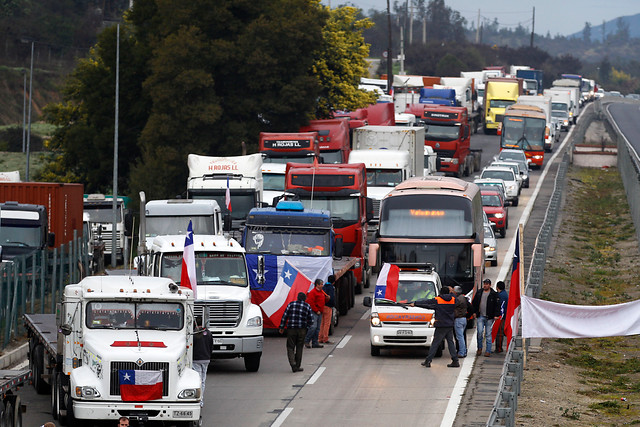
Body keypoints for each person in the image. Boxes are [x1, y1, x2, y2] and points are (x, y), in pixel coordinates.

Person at [410, 286, 460, 368]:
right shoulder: (453, 299)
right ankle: (455, 360)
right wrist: (452, 293)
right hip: (449, 324)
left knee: (435, 343)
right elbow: (457, 301)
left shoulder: (438, 300)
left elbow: (426, 303)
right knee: (451, 343)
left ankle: (428, 360)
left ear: (440, 292)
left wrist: (415, 304)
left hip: (441, 325)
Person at [279, 292, 313, 372]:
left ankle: (293, 364)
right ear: (305, 299)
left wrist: (282, 327)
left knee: (290, 347)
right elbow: (311, 320)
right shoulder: (307, 306)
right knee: (299, 347)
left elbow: (285, 316)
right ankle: (297, 365)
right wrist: (306, 327)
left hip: (291, 329)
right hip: (302, 330)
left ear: (297, 297)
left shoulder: (291, 304)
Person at [471, 278, 501, 357]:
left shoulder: (494, 294)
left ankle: (488, 350)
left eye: (487, 284)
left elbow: (497, 306)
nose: (485, 285)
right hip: (480, 316)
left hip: (489, 317)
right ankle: (479, 348)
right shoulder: (479, 293)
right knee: (479, 332)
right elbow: (474, 303)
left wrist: (496, 315)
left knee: (488, 334)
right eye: (484, 284)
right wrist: (474, 312)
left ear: (490, 285)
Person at [192, 322, 213, 407]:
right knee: (203, 380)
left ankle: (199, 399)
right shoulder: (208, 333)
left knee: (198, 380)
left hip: (196, 360)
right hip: (206, 359)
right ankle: (201, 400)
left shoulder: (194, 334)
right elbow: (211, 346)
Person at [304, 279, 326, 349]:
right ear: (317, 285)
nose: (322, 285)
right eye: (321, 284)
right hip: (315, 312)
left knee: (317, 328)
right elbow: (311, 303)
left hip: (320, 311)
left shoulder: (321, 292)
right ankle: (307, 340)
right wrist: (316, 310)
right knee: (313, 327)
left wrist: (327, 298)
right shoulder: (313, 292)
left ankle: (315, 342)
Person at [452, 285, 469, 359]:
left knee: (460, 337)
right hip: (464, 318)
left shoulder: (457, 300)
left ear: (456, 292)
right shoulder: (464, 298)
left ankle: (462, 352)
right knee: (461, 336)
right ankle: (464, 351)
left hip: (458, 319)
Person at [318, 275, 336, 344]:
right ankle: (325, 338)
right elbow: (331, 298)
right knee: (327, 323)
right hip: (328, 307)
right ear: (334, 281)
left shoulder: (324, 287)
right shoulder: (331, 288)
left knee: (321, 323)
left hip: (322, 306)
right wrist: (333, 304)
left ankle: (320, 338)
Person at [495, 281, 509, 353]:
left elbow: (501, 307)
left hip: (502, 317)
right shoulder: (504, 294)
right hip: (503, 316)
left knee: (499, 333)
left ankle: (499, 348)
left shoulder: (501, 296)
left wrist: (499, 316)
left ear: (497, 287)